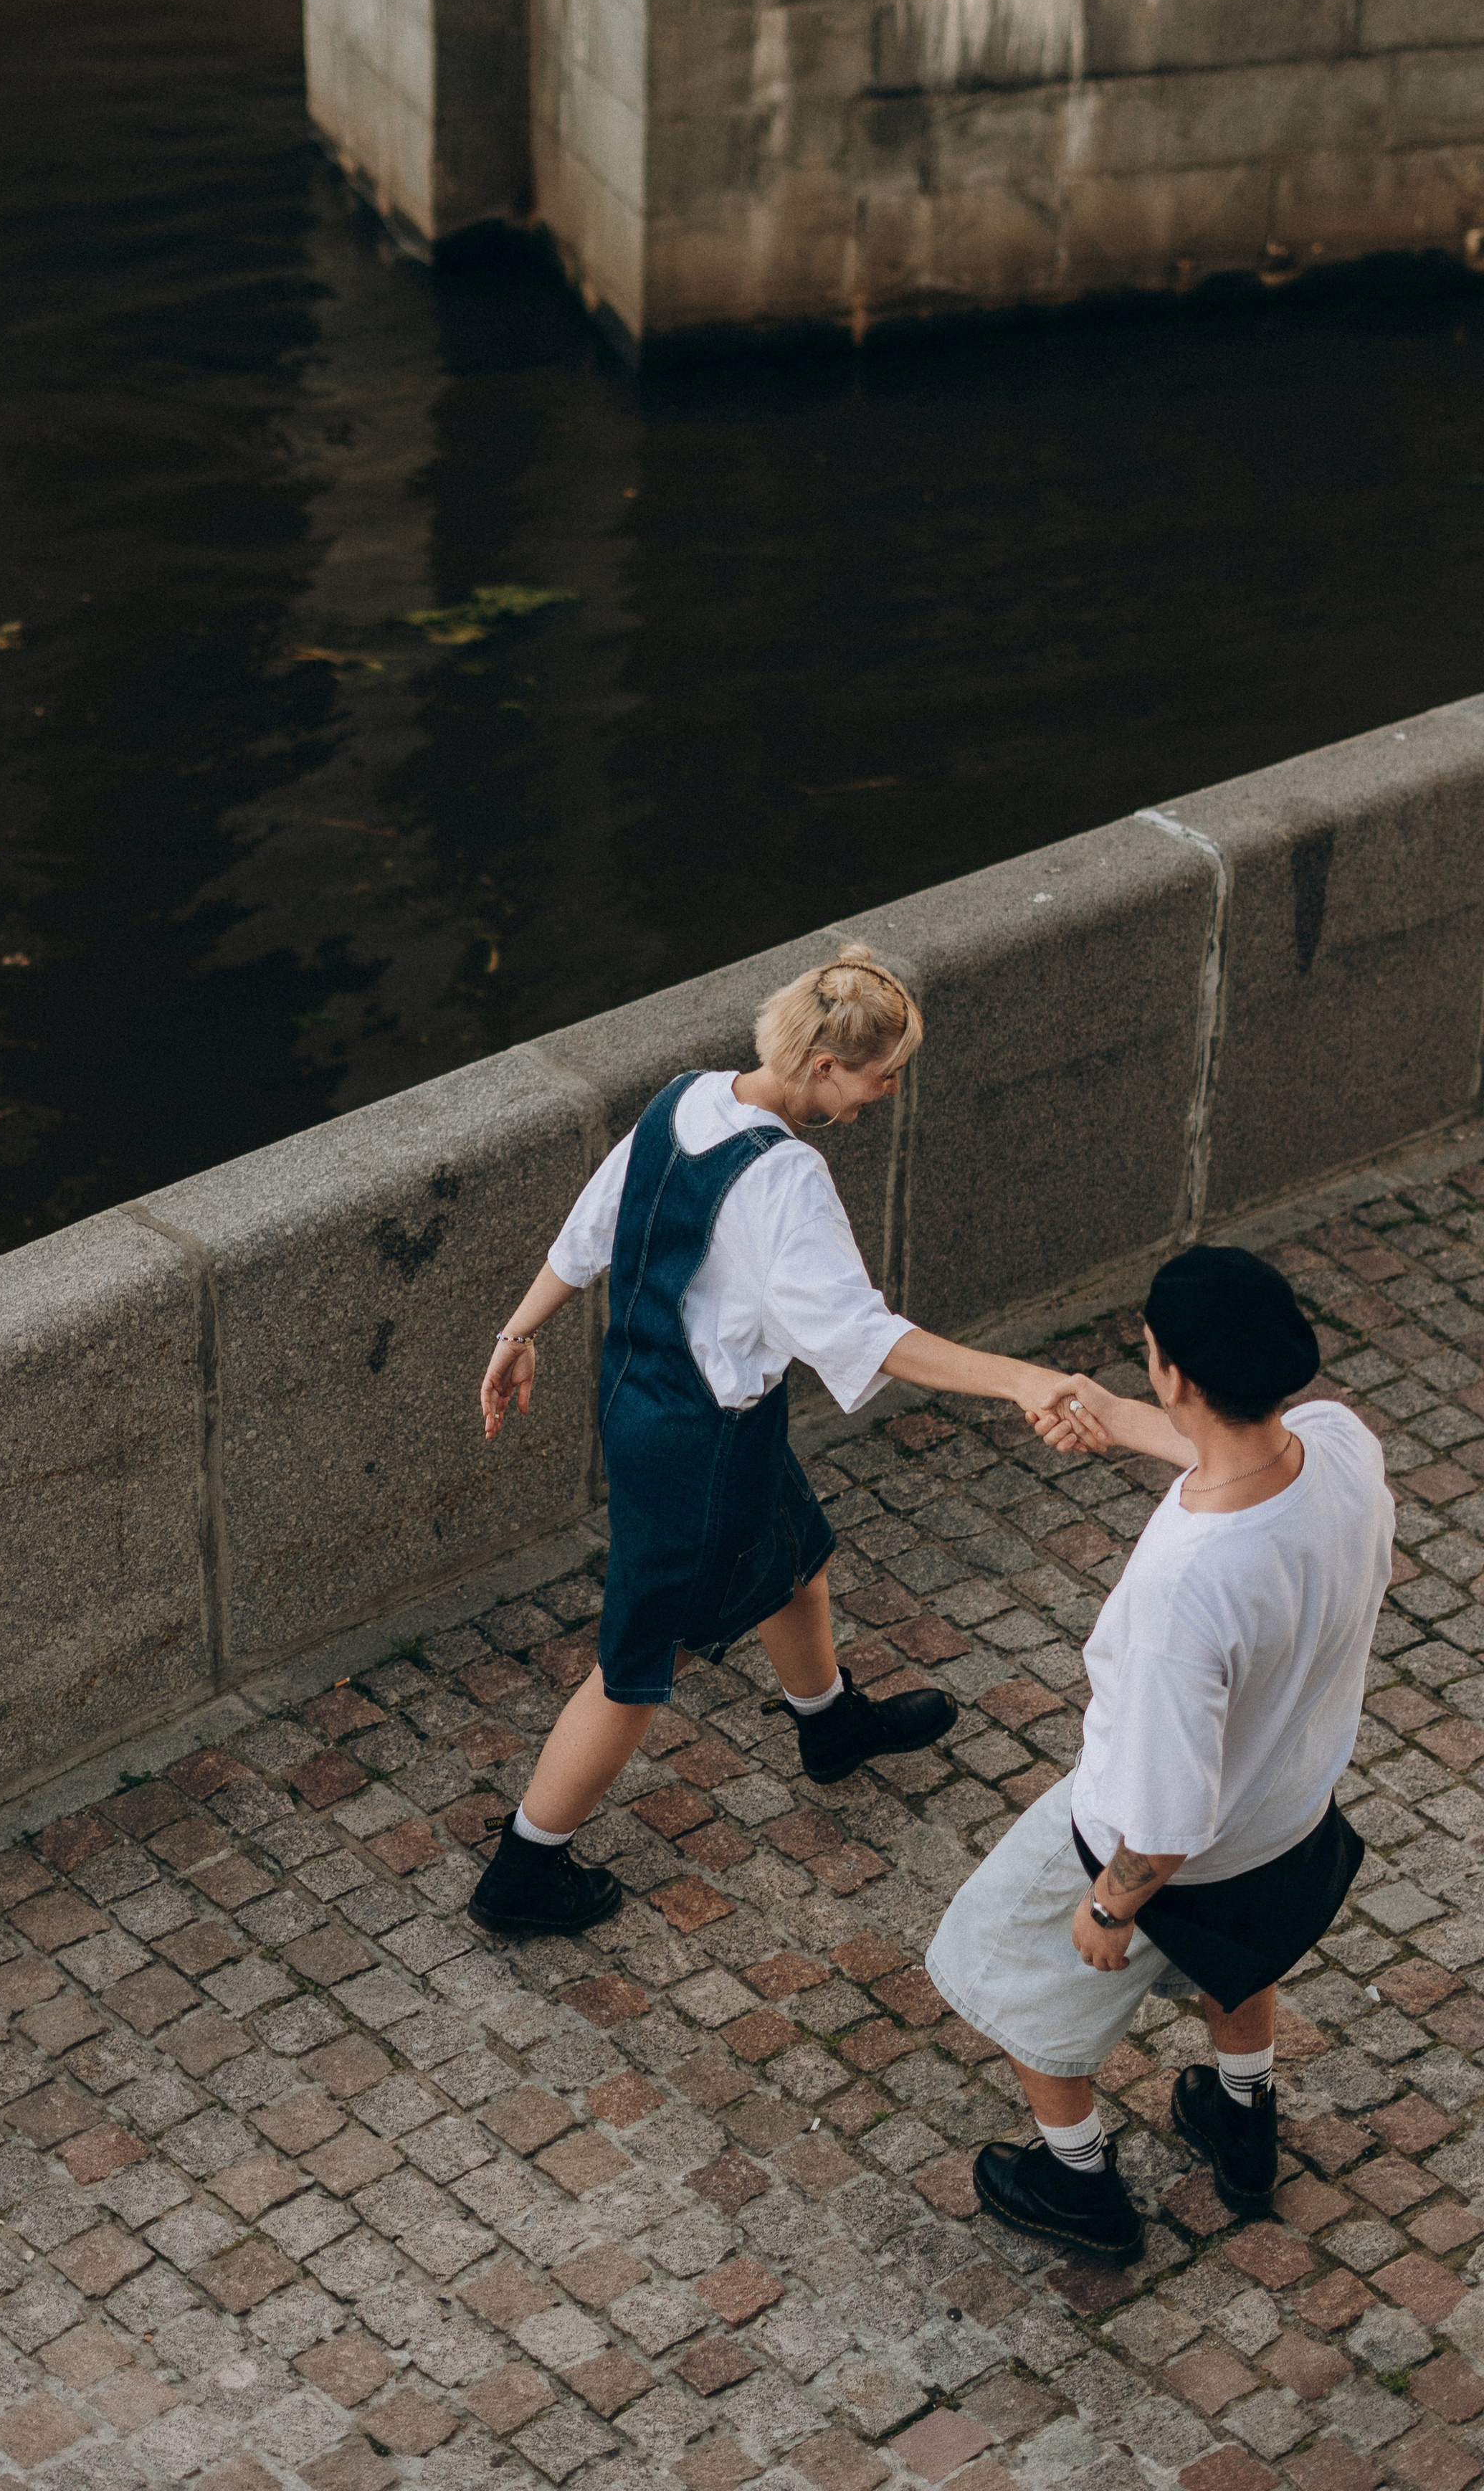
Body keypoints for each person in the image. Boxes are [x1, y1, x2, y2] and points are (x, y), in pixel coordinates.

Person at [467, 944, 1081, 1939]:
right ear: (828, 1069)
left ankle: (830, 1726)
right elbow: (861, 1334)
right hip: (702, 1440)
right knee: (634, 1663)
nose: (889, 1088)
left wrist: (520, 1330)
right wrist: (1020, 1378)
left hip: (648, 1399)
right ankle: (521, 1872)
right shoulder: (785, 1179)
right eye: (886, 1071)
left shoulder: (689, 1097)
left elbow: (595, 1226)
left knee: (794, 1555)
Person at [926, 1244, 1393, 2260]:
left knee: (1005, 1973)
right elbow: (1228, 1452)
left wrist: (1108, 1906)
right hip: (1285, 1820)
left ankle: (1077, 2182)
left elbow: (1168, 1814)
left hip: (1156, 1848)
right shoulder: (1341, 1445)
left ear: (1174, 1373)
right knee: (1239, 1960)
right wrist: (1106, 1411)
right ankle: (1243, 2116)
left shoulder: (1188, 1583)